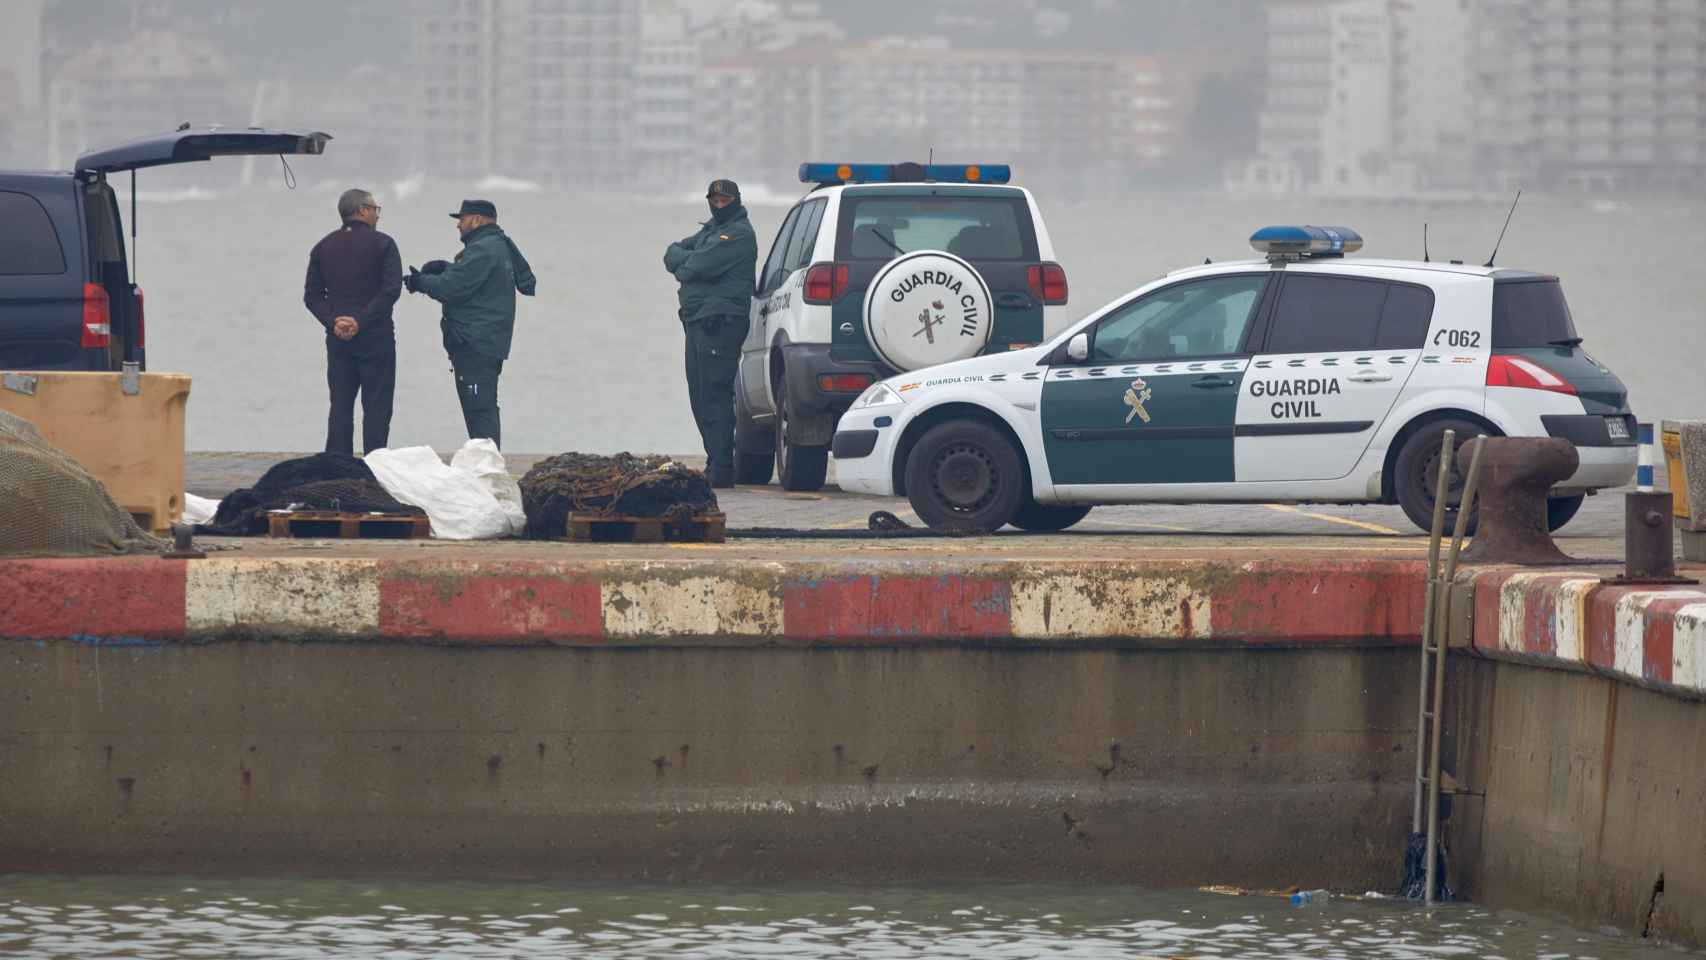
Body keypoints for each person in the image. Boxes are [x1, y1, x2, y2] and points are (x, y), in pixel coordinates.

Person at [404, 199, 536, 449]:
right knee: (483, 406)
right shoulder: (495, 246)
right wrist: (447, 268)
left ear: (476, 220)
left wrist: (419, 282)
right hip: (487, 342)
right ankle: (487, 464)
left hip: (475, 343)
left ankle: (486, 468)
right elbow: (471, 281)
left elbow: (450, 288)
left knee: (479, 411)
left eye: (461, 220)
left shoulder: (482, 250)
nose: (458, 226)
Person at [663, 179, 758, 487]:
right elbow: (671, 252)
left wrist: (685, 263)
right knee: (699, 395)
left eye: (724, 200)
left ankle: (721, 469)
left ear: (736, 200)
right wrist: (685, 260)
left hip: (719, 324)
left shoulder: (737, 234)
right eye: (714, 200)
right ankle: (715, 462)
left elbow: (690, 268)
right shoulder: (711, 232)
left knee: (714, 395)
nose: (719, 205)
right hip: (698, 321)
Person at [303, 188, 402, 456]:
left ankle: (338, 467)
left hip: (338, 341)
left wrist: (334, 322)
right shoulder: (384, 244)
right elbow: (390, 291)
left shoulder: (323, 247)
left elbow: (312, 296)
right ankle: (376, 467)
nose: (377, 214)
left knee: (341, 406)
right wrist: (360, 321)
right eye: (375, 209)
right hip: (376, 338)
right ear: (362, 210)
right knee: (377, 407)